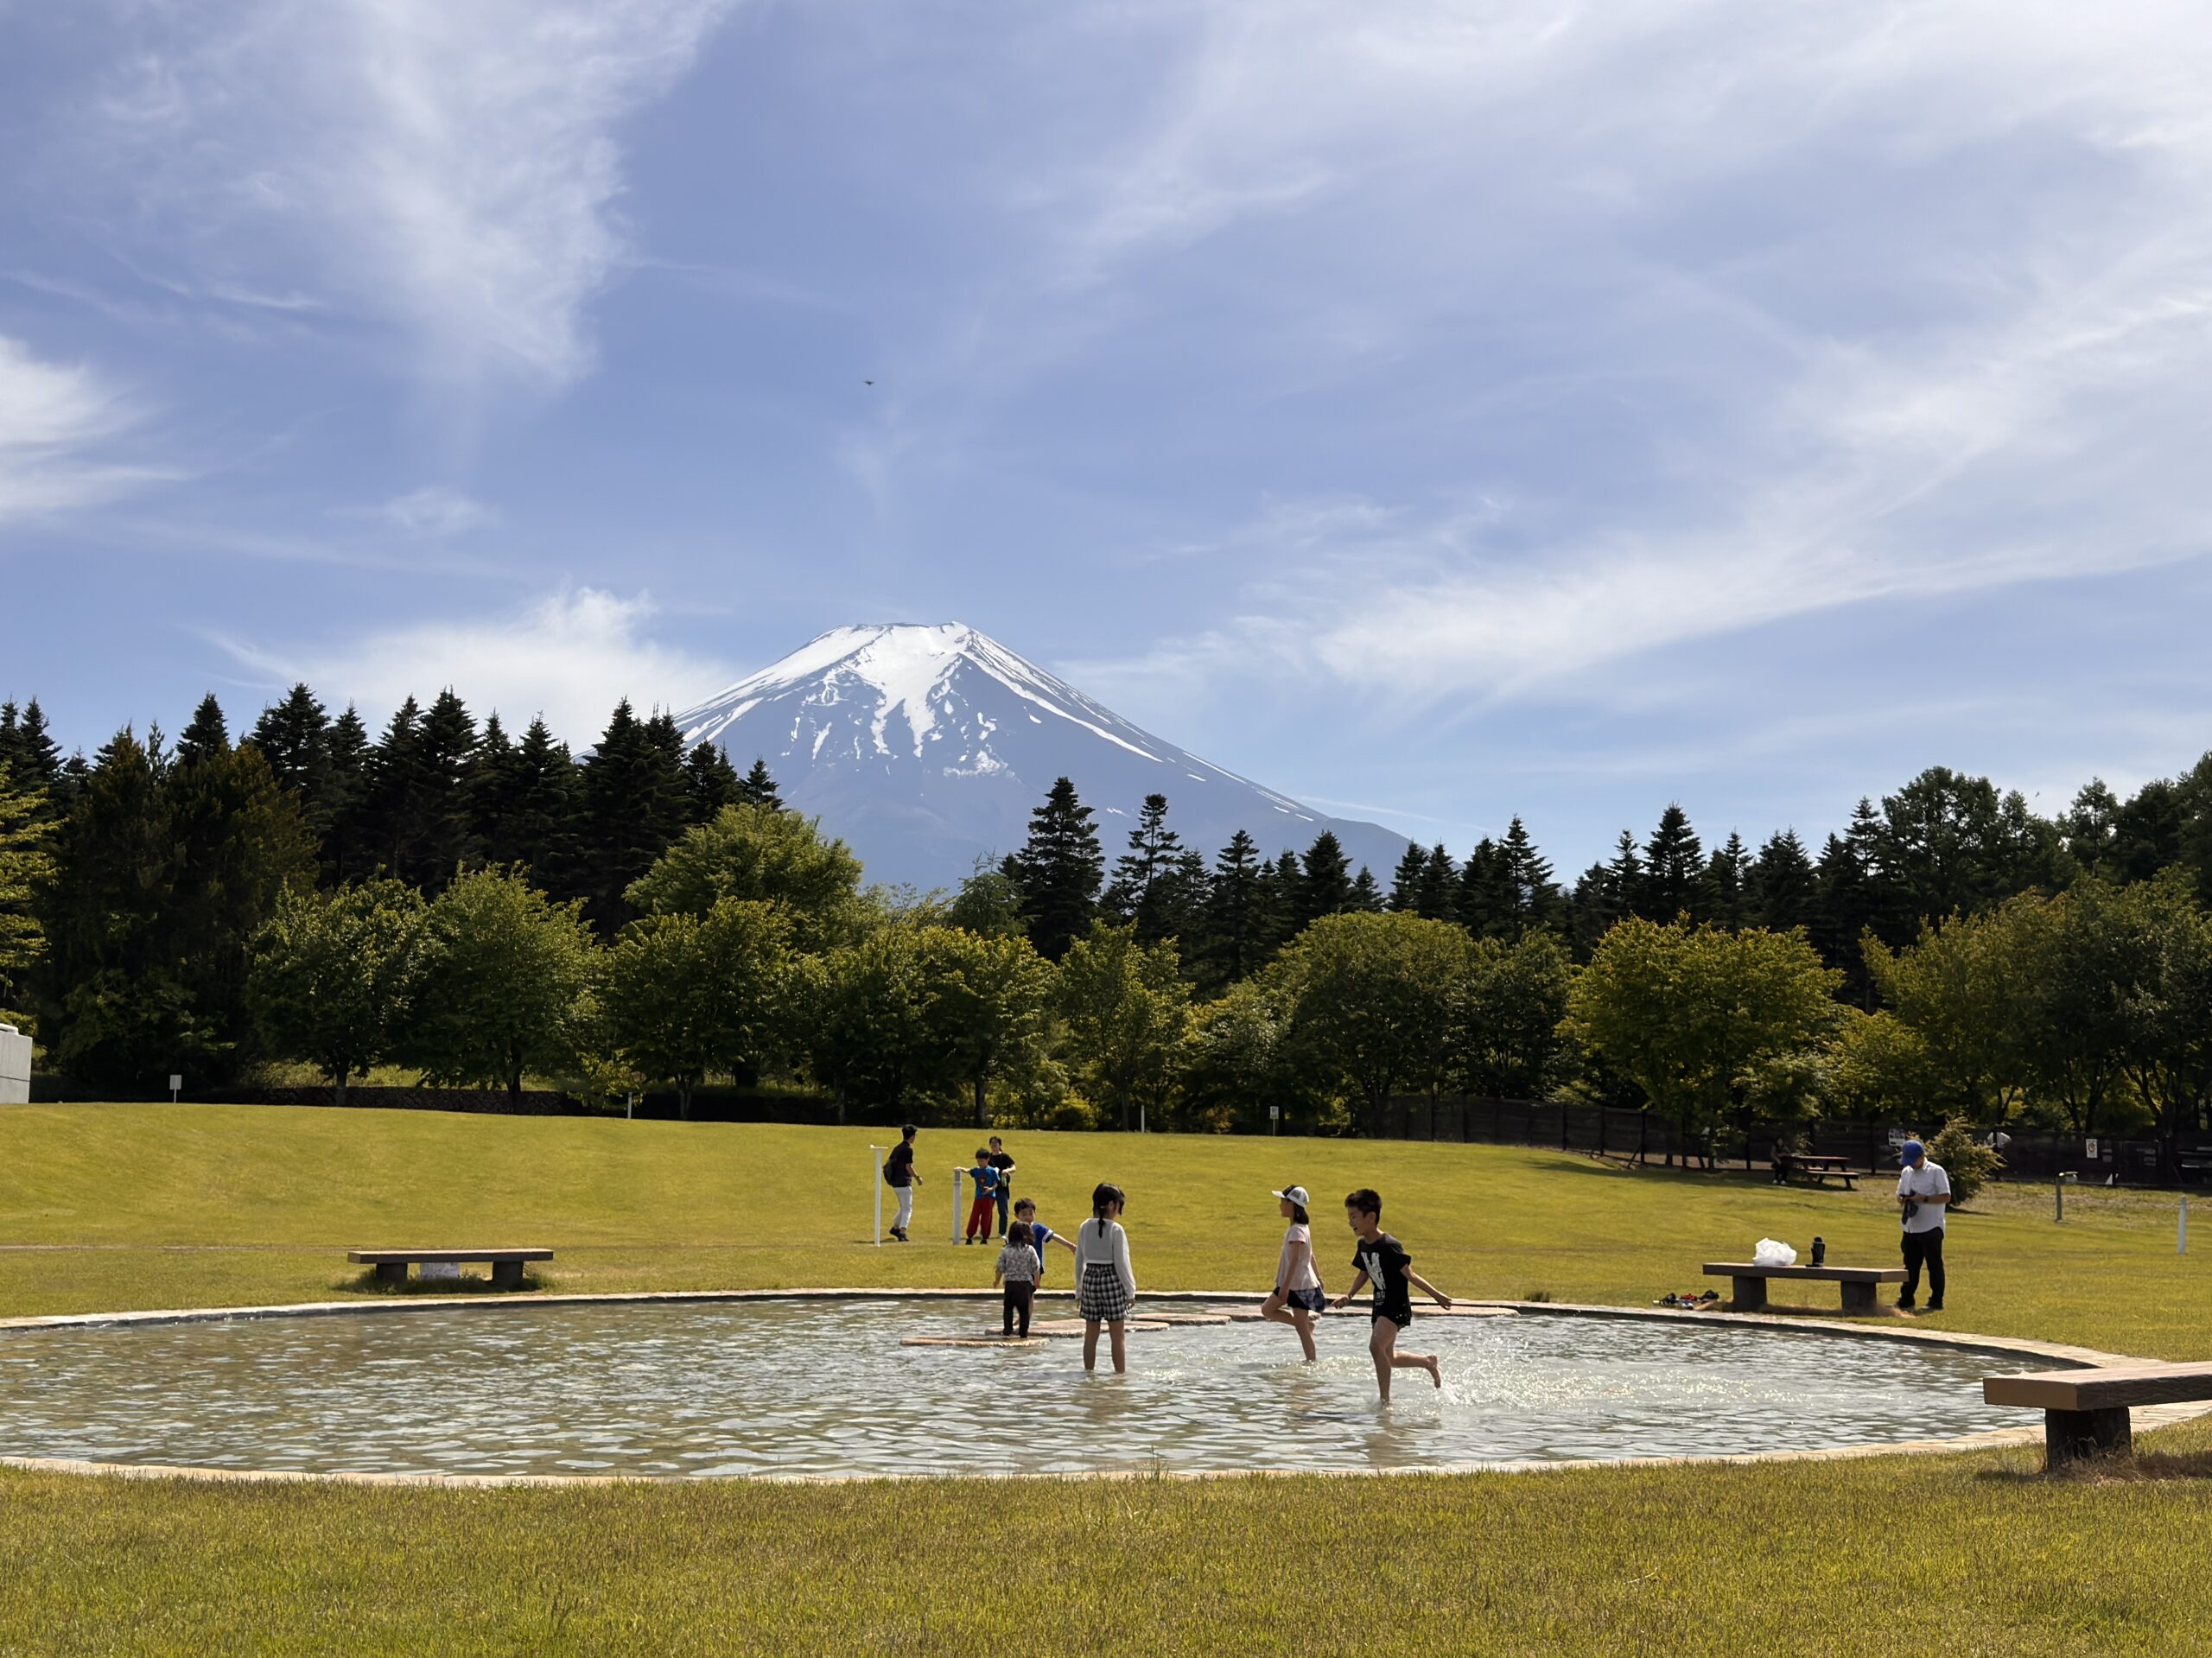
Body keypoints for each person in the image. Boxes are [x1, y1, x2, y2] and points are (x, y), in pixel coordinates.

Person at [1332, 1187, 1452, 1401]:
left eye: (1354, 1216)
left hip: (1395, 1304)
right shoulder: (1363, 1245)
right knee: (1390, 1357)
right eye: (1349, 1216)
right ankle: (1428, 1362)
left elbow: (1411, 1275)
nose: (1350, 1221)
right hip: (1379, 1305)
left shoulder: (1390, 1246)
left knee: (1375, 1346)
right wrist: (1349, 1296)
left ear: (1371, 1217)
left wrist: (1438, 1296)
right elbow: (1364, 1273)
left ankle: (1385, 1401)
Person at [1259, 1185, 1325, 1362]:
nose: (1280, 1205)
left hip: (1297, 1285)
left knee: (1302, 1330)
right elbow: (1311, 1256)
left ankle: (1311, 1363)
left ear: (1292, 1205)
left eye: (1283, 1201)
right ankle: (1305, 1325)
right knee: (1267, 1310)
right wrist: (1318, 1278)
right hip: (1294, 1283)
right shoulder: (1299, 1228)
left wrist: (1285, 1288)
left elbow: (1297, 1260)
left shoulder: (1297, 1230)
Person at [1077, 1182, 1135, 1374]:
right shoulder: (1116, 1230)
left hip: (1090, 1279)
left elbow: (1079, 1259)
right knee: (1117, 1335)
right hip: (1111, 1278)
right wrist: (1130, 1290)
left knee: (1090, 1334)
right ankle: (1120, 1376)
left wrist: (1079, 1290)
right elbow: (1122, 1263)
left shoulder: (1085, 1226)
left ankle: (1088, 1373)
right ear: (1112, 1205)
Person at [1896, 1138, 1951, 1312]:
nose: (1911, 1165)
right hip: (1911, 1226)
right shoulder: (1906, 1172)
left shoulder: (1936, 1171)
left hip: (1931, 1226)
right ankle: (1906, 1299)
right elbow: (1898, 1194)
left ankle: (1936, 1301)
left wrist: (1924, 1198)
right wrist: (1903, 1198)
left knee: (1934, 1264)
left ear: (1922, 1156)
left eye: (1914, 1161)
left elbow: (1946, 1197)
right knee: (1910, 1265)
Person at [995, 1220, 1043, 1337]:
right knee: (1024, 1311)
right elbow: (1036, 1266)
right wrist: (1037, 1281)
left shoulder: (1005, 1250)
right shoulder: (1030, 1250)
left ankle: (1007, 1330)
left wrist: (996, 1281)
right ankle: (1023, 1333)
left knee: (1008, 1309)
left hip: (1010, 1284)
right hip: (1025, 1285)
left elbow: (1000, 1267)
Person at [1012, 1197, 1077, 1283]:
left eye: (1030, 1214)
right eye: (1024, 1214)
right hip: (1018, 1267)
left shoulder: (1038, 1228)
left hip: (1035, 1267)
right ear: (1017, 1215)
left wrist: (1069, 1245)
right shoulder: (1015, 1229)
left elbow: (1054, 1236)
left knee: (1030, 1290)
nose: (1028, 1217)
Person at [881, 1125, 920, 1242]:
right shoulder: (908, 1149)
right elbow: (908, 1166)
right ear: (912, 1136)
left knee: (903, 1207)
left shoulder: (897, 1148)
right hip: (904, 1182)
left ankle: (895, 1228)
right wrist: (917, 1178)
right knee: (908, 1209)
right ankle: (902, 1231)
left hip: (895, 1183)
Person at [963, 1149, 999, 1245]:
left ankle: (985, 1237)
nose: (980, 1163)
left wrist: (991, 1189)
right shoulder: (976, 1170)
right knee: (974, 1216)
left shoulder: (992, 1171)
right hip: (978, 1197)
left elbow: (996, 1184)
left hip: (989, 1198)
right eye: (978, 1161)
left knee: (986, 1217)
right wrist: (960, 1169)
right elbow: (968, 1171)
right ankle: (970, 1236)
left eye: (982, 1161)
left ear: (987, 1160)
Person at [987, 1135, 1018, 1238]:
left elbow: (1013, 1167)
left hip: (1002, 1188)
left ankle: (1002, 1233)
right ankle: (984, 1231)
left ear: (1000, 1145)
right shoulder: (988, 1158)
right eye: (992, 1143)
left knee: (1003, 1211)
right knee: (986, 1210)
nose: (994, 1145)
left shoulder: (1004, 1157)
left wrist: (1007, 1171)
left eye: (996, 1143)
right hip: (990, 1187)